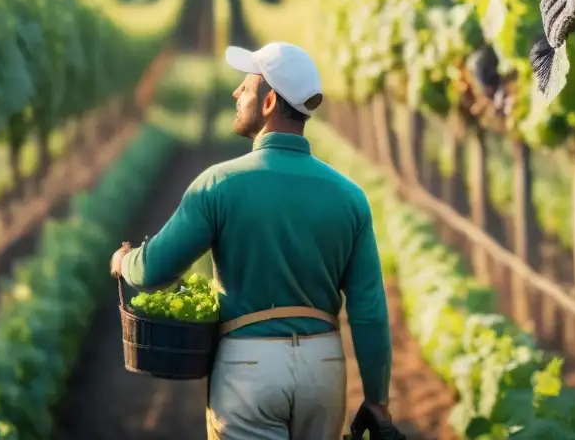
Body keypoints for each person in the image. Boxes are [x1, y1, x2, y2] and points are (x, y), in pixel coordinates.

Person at [111, 42, 393, 440]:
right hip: (325, 366)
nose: (235, 94)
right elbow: (369, 310)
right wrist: (378, 399)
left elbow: (153, 271)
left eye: (245, 87)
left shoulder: (219, 184)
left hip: (249, 366)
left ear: (269, 102)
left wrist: (124, 261)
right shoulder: (349, 196)